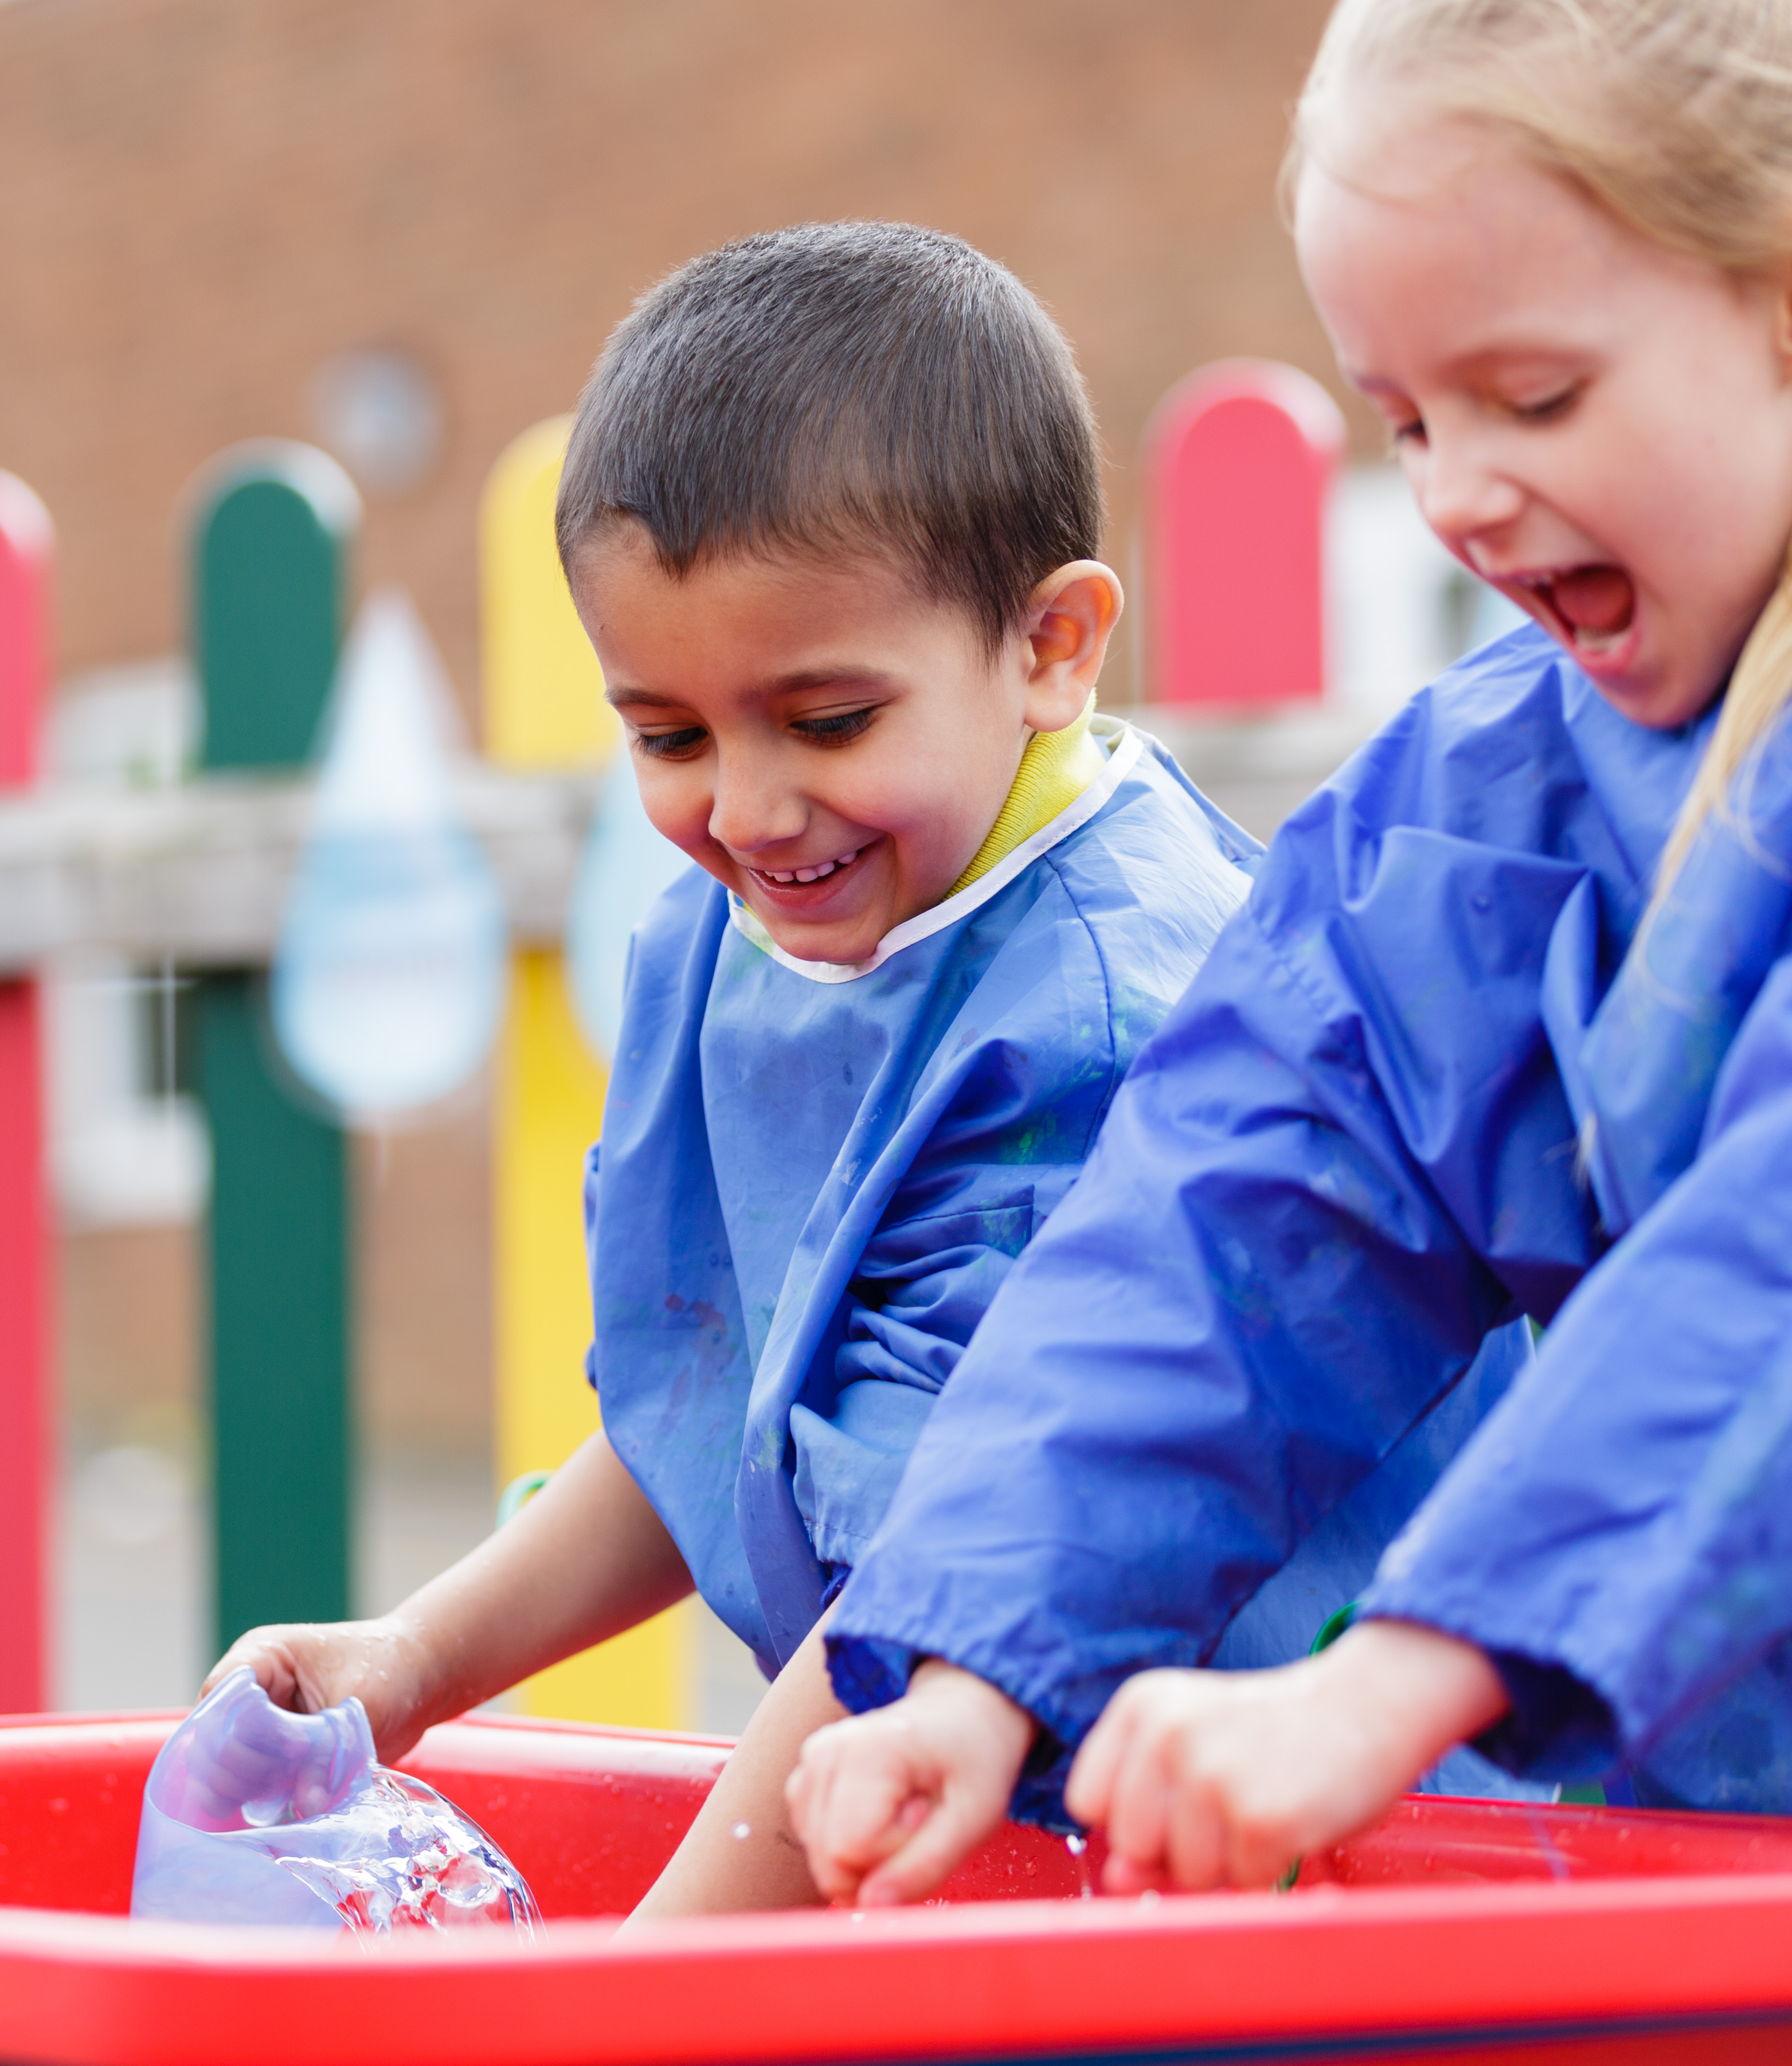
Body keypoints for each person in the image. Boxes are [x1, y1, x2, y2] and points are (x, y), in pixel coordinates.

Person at [785, 0, 1792, 2052]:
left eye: (1531, 396)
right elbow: (1230, 1216)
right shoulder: (1498, 788)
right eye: (1408, 420)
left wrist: (1391, 1682)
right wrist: (979, 1662)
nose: (1457, 491)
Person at [209, 222, 1264, 1916]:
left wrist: (639, 1990)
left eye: (830, 720)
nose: (752, 810)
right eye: (669, 735)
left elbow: (935, 1580)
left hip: (1257, 1870)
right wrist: (416, 1658)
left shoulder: (1107, 1016)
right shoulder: (756, 927)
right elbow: (719, 1409)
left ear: (1053, 646)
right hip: (966, 1826)